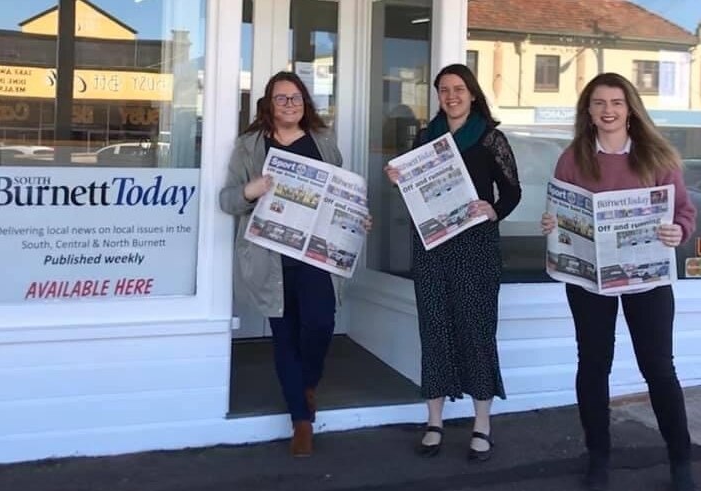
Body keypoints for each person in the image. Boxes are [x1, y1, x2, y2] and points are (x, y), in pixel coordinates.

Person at [541, 72, 697, 491]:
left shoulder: (657, 156)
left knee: (659, 370)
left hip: (648, 281)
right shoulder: (573, 157)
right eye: (598, 103)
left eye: (615, 102)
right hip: (589, 281)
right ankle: (598, 458)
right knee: (593, 367)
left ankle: (681, 459)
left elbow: (683, 212)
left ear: (630, 109)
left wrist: (677, 233)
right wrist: (553, 223)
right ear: (588, 112)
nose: (607, 111)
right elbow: (557, 209)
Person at [384, 63, 522, 461]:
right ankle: (434, 420)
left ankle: (482, 423)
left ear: (473, 93)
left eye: (458, 88)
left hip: (476, 247)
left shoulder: (491, 138)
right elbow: (413, 187)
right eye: (444, 89)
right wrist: (398, 177)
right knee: (435, 328)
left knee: (476, 330)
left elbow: (512, 192)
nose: (451, 96)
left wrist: (494, 210)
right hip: (433, 248)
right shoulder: (426, 138)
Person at [220, 71, 357, 457]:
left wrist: (356, 218)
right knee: (285, 337)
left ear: (305, 103)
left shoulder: (324, 143)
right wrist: (253, 190)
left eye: (296, 98)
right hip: (271, 259)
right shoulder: (250, 147)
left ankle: (307, 383)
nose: (290, 105)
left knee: (319, 325)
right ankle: (301, 420)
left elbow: (340, 194)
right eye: (281, 99)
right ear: (268, 104)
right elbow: (227, 200)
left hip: (317, 256)